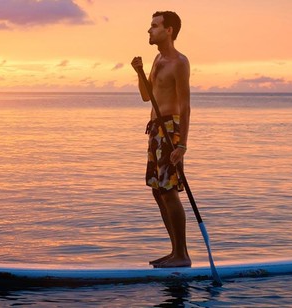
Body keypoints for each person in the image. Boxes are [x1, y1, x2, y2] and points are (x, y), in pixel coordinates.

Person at [131, 11, 191, 268]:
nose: (149, 30)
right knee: (158, 191)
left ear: (169, 30)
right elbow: (147, 96)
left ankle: (182, 254)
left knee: (168, 191)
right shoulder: (156, 59)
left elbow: (186, 106)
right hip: (155, 128)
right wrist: (139, 71)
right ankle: (174, 251)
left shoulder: (179, 62)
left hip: (170, 129)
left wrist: (182, 145)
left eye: (154, 26)